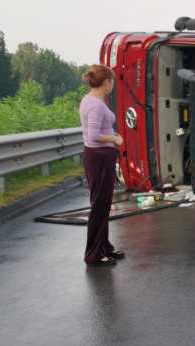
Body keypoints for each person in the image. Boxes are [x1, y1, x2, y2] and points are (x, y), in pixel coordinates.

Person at [81, 64, 125, 265]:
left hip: (96, 156)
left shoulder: (89, 100)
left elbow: (97, 130)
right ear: (106, 82)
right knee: (99, 206)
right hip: (100, 157)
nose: (113, 85)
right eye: (112, 81)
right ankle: (94, 254)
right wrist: (114, 139)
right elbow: (93, 135)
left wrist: (111, 134)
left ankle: (104, 247)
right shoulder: (96, 105)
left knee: (103, 204)